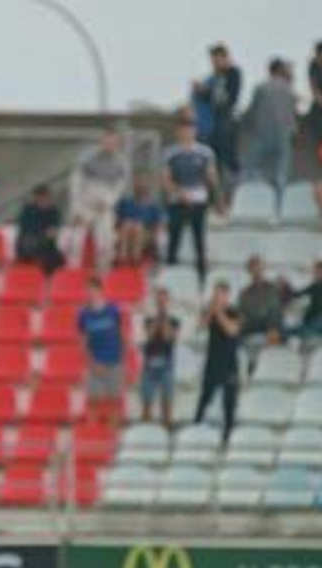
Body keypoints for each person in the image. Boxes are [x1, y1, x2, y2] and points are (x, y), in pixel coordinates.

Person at [159, 119, 218, 282]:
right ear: (178, 132)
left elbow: (211, 177)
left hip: (199, 200)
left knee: (199, 241)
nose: (186, 133)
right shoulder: (170, 153)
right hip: (177, 200)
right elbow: (165, 179)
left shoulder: (205, 152)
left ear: (195, 132)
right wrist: (180, 192)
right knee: (174, 240)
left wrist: (215, 199)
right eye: (183, 130)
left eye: (190, 130)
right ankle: (170, 276)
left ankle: (202, 278)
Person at [64, 128, 130, 272]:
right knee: (75, 241)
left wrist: (108, 203)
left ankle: (103, 274)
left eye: (113, 141)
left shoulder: (122, 163)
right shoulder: (87, 157)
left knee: (105, 244)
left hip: (104, 207)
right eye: (107, 140)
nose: (110, 143)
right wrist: (76, 209)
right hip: (85, 203)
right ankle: (72, 272)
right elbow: (76, 183)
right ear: (102, 140)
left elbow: (119, 188)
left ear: (118, 143)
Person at [242, 59, 299, 199]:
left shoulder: (261, 88)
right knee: (281, 172)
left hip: (263, 132)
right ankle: (279, 203)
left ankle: (252, 198)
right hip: (285, 134)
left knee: (251, 168)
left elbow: (251, 112)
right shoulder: (289, 89)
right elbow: (293, 114)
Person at [195, 282, 242, 442]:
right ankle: (197, 424)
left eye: (220, 294)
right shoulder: (210, 311)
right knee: (205, 395)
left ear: (227, 295)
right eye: (215, 294)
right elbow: (201, 326)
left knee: (229, 398)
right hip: (212, 359)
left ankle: (228, 433)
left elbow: (232, 330)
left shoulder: (233, 311)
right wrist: (210, 312)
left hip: (229, 361)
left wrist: (219, 312)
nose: (217, 297)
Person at [76, 277, 125, 427]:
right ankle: (92, 430)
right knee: (93, 399)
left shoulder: (113, 310)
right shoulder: (84, 314)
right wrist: (93, 363)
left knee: (114, 399)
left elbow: (120, 334)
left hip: (114, 361)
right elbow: (83, 341)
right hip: (95, 363)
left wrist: (120, 358)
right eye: (88, 290)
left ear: (100, 291)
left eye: (93, 290)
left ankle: (112, 432)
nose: (91, 293)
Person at [193, 44, 242, 185]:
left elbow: (228, 98)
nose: (214, 63)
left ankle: (235, 184)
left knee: (228, 154)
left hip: (226, 120)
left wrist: (207, 91)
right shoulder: (215, 76)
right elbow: (210, 99)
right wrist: (202, 91)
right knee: (215, 159)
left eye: (216, 59)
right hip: (213, 124)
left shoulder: (233, 73)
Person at [138, 288, 179, 425]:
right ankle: (146, 431)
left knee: (167, 401)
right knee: (146, 401)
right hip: (149, 362)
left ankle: (166, 433)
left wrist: (164, 317)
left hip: (166, 362)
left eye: (164, 300)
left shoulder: (174, 320)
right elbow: (150, 336)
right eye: (159, 300)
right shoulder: (149, 320)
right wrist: (158, 317)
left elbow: (169, 337)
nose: (161, 303)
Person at [284, 259, 322, 342]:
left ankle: (304, 333)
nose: (316, 273)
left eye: (319, 271)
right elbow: (297, 294)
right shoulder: (314, 286)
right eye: (316, 271)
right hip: (311, 322)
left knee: (321, 320)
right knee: (288, 330)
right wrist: (287, 287)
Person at [13, 184, 64, 274]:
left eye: (46, 197)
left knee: (58, 259)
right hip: (28, 245)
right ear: (36, 198)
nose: (44, 200)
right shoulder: (28, 210)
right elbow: (25, 229)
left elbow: (53, 231)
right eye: (41, 198)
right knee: (29, 251)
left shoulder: (54, 211)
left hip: (46, 245)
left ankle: (49, 282)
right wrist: (44, 232)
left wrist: (47, 233)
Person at [235, 255, 284, 347]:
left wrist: (273, 328)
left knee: (275, 332)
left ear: (263, 270)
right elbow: (241, 314)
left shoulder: (272, 289)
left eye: (259, 269)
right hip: (251, 327)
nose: (257, 273)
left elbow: (276, 312)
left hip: (269, 326)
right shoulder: (245, 293)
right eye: (254, 270)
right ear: (250, 271)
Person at [114, 174, 164, 266]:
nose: (141, 188)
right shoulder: (125, 202)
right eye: (139, 185)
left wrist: (155, 233)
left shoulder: (154, 205)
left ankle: (135, 258)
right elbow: (117, 219)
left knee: (138, 226)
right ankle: (122, 257)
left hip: (145, 232)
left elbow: (159, 223)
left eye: (144, 185)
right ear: (134, 187)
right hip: (125, 230)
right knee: (128, 224)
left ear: (148, 187)